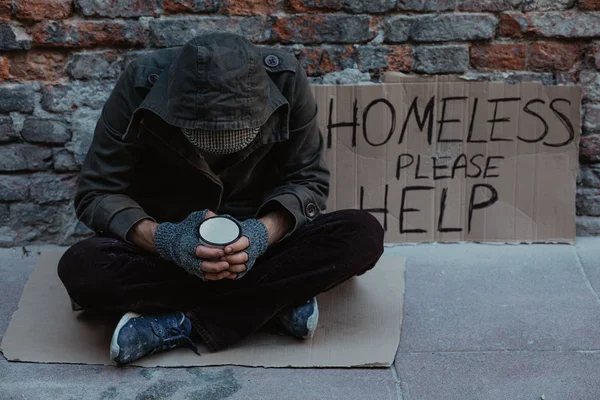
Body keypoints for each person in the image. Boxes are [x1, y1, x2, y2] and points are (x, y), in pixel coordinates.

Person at [57, 32, 384, 365]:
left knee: (362, 234)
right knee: (82, 268)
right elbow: (97, 192)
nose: (220, 145)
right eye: (204, 136)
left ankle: (180, 323)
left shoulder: (285, 79)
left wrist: (261, 234)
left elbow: (308, 180)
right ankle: (273, 303)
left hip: (262, 245)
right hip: (171, 245)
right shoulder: (140, 85)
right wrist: (167, 240)